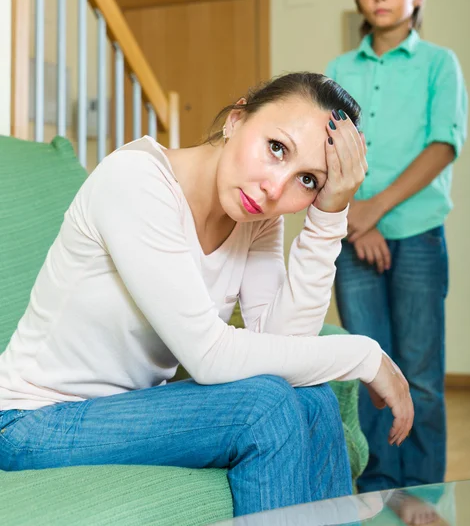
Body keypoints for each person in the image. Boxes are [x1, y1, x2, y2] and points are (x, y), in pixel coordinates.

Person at [0, 73, 413, 517]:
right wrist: (365, 356)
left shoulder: (256, 216)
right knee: (265, 408)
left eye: (308, 180)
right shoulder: (135, 180)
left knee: (312, 398)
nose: (275, 188)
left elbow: (286, 346)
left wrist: (330, 215)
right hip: (31, 421)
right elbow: (209, 355)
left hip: (126, 409)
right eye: (276, 148)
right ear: (236, 119)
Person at [326, 0, 468, 495]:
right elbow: (333, 150)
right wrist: (360, 223)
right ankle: (379, 489)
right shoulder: (338, 70)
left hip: (418, 236)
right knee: (368, 371)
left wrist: (375, 211)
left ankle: (424, 492)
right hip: (356, 236)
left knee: (422, 376)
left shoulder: (440, 63)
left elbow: (443, 146)